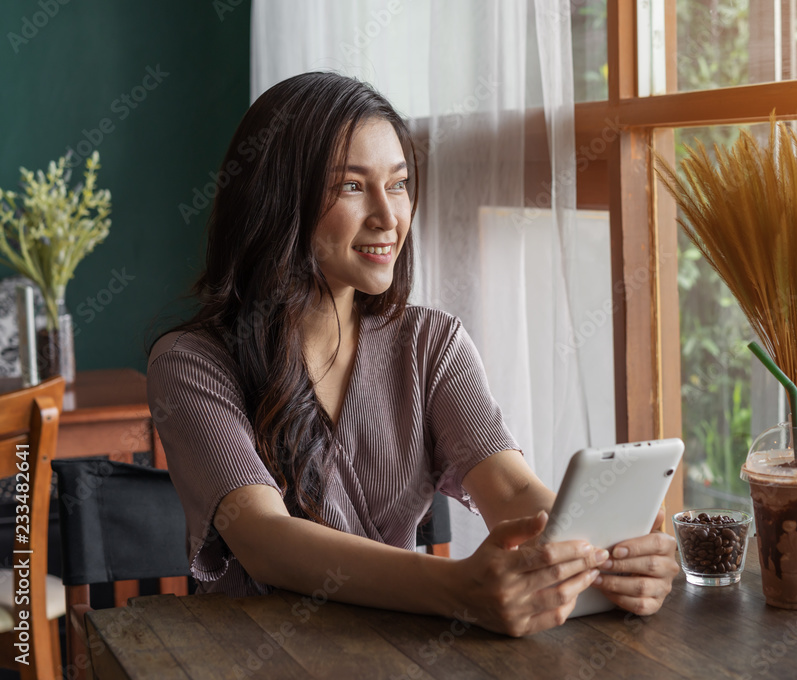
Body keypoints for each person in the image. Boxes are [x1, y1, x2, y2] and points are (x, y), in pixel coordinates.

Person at [147, 71, 679, 637]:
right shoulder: (192, 364)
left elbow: (514, 490)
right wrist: (459, 588)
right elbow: (265, 540)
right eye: (352, 186)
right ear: (278, 198)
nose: (388, 216)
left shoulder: (432, 345)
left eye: (398, 184)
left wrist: (606, 558)